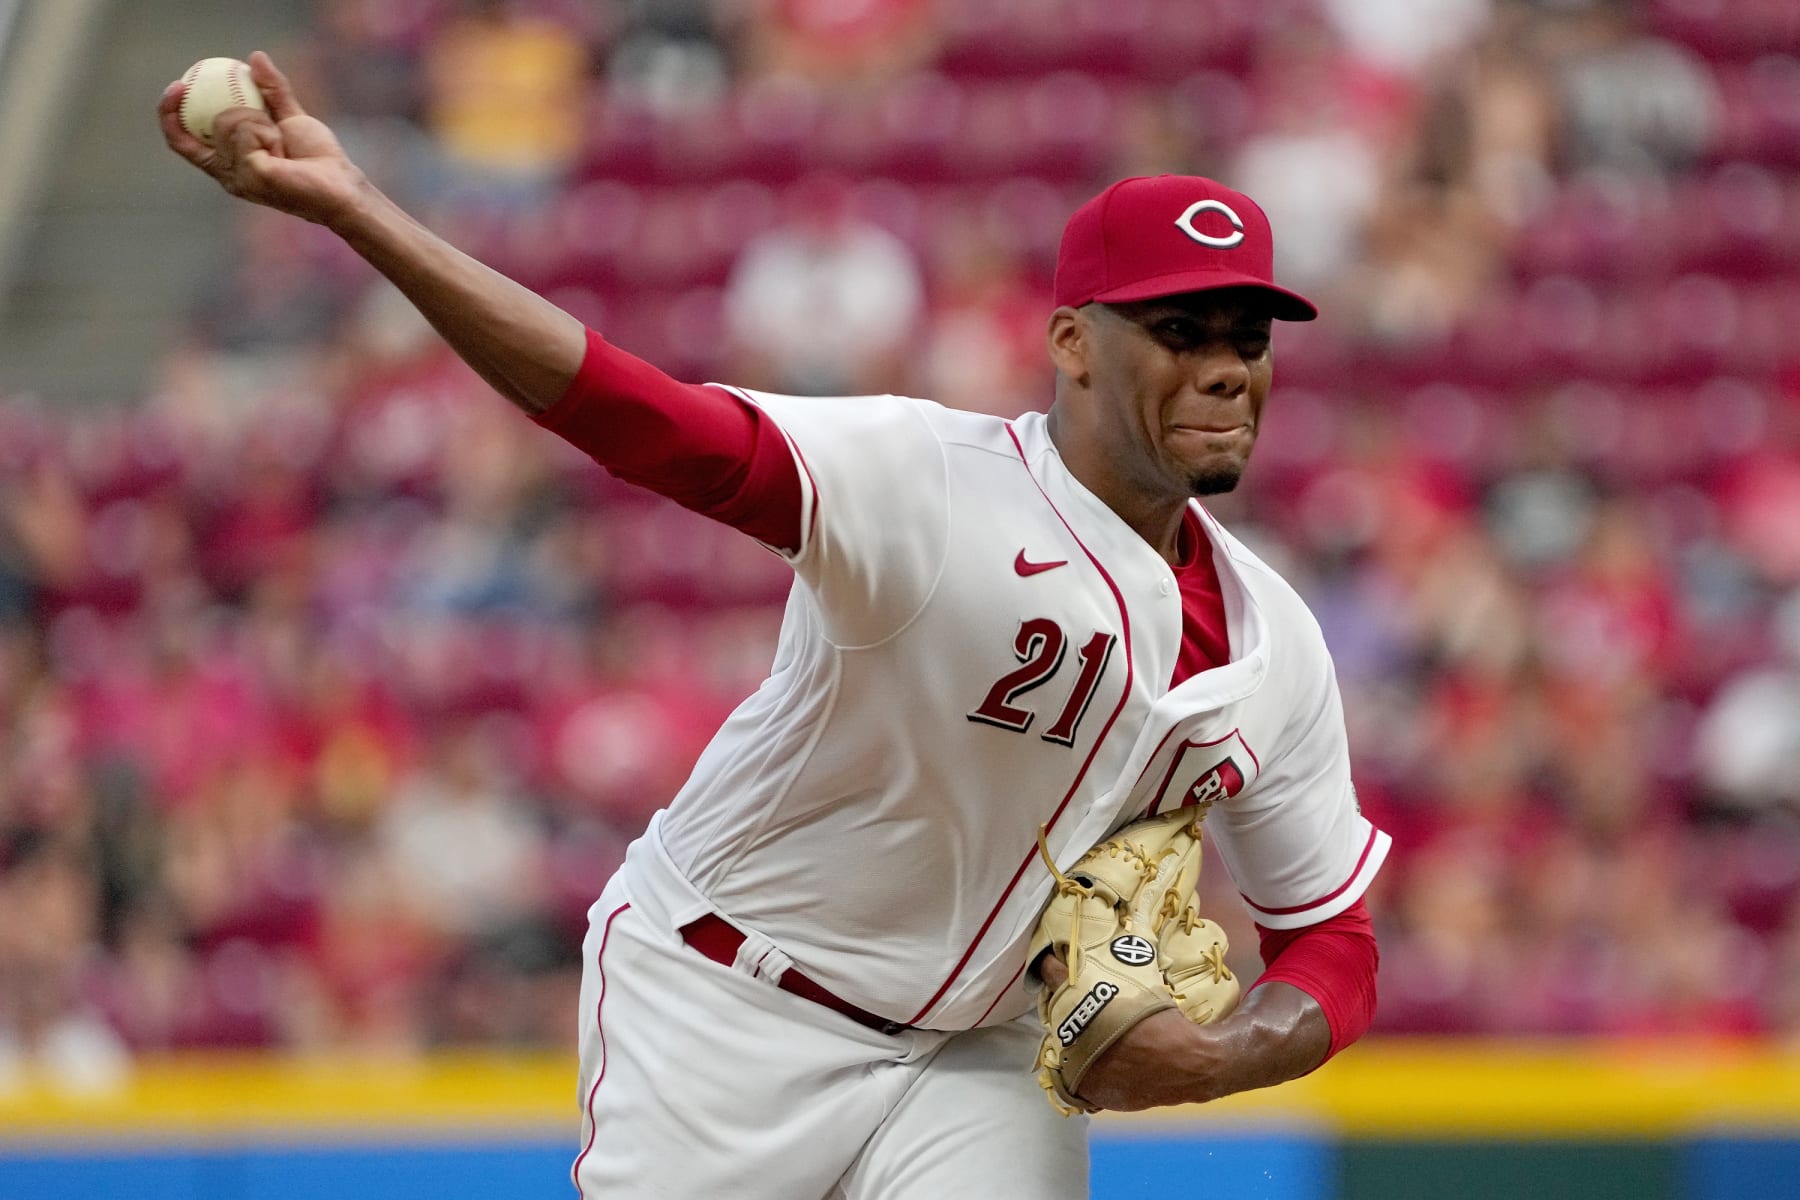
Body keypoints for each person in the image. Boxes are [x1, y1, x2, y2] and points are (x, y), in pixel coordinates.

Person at [159, 53, 1389, 1200]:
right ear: (1071, 343)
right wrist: (363, 209)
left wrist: (1220, 1057)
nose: (1228, 368)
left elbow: (1331, 936)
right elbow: (640, 419)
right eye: (1180, 333)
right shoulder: (926, 483)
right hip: (726, 1002)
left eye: (1247, 338)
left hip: (976, 1062)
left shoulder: (1275, 645)